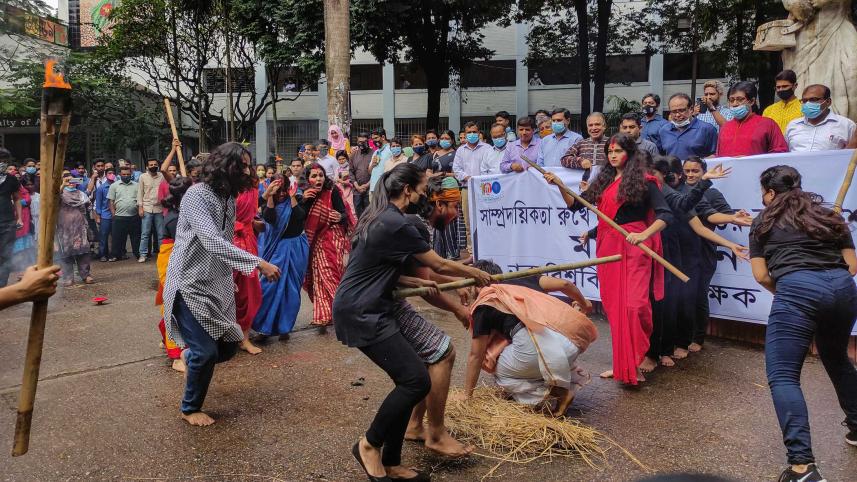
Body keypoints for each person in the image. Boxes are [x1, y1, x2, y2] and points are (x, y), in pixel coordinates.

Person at [332, 163, 492, 482]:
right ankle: (369, 445)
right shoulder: (397, 222)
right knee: (415, 381)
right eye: (420, 188)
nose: (423, 194)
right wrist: (473, 273)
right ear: (407, 190)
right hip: (363, 311)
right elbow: (436, 263)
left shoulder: (378, 215)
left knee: (411, 378)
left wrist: (416, 282)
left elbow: (380, 267)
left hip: (372, 304)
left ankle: (391, 461)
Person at [748, 165, 857, 482]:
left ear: (769, 193)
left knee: (783, 376)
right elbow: (851, 265)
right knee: (837, 357)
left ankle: (801, 467)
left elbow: (761, 275)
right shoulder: (829, 216)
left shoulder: (763, 221)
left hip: (797, 288)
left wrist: (792, 291)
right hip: (843, 289)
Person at [162, 142, 280, 427]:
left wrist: (229, 277)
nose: (249, 171)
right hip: (188, 285)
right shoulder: (196, 194)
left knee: (226, 347)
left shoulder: (227, 198)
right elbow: (211, 240)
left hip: (217, 283)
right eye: (244, 165)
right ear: (226, 166)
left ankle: (190, 358)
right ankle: (190, 408)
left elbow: (224, 244)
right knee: (207, 352)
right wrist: (257, 262)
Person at [544, 133, 672, 385]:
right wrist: (559, 184)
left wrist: (643, 235)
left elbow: (665, 215)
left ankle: (633, 360)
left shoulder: (645, 182)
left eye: (618, 151)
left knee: (634, 307)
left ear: (630, 153)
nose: (613, 155)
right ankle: (624, 366)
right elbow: (575, 206)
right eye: (610, 151)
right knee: (616, 310)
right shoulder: (603, 181)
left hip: (635, 248)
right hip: (608, 249)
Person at [462, 260, 597, 415]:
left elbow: (476, 356)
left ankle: (558, 392)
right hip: (572, 344)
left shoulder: (485, 303)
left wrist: (467, 395)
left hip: (543, 348)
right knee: (518, 349)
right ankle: (556, 383)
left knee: (498, 371)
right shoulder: (522, 279)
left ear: (476, 281)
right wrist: (583, 303)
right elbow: (565, 285)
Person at [254, 175, 309, 338]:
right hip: (277, 250)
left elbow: (299, 216)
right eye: (279, 191)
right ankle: (263, 328)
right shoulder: (268, 203)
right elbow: (270, 218)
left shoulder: (296, 198)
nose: (282, 194)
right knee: (269, 287)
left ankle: (284, 328)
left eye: (284, 190)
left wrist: (291, 196)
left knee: (291, 290)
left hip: (296, 249)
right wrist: (270, 195)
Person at [303, 163, 356, 328]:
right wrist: (304, 200)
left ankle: (347, 311)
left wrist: (339, 217)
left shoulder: (332, 191)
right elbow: (299, 217)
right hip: (315, 240)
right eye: (314, 176)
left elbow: (344, 214)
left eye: (321, 175)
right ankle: (324, 315)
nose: (318, 179)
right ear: (307, 179)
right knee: (318, 276)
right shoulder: (303, 195)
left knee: (330, 273)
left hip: (333, 237)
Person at [155, 177, 192, 373]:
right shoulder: (177, 217)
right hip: (173, 261)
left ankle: (165, 337)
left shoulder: (180, 212)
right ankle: (176, 356)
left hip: (176, 257)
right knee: (175, 306)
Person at [718, 82, 789, 157]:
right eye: (731, 100)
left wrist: (750, 160)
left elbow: (780, 153)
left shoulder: (768, 124)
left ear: (752, 101)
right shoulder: (725, 127)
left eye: (740, 99)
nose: (735, 104)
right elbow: (718, 156)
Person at [786, 84, 857, 152]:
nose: (807, 104)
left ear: (828, 102)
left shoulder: (846, 125)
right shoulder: (793, 125)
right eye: (804, 101)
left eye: (813, 99)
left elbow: (852, 155)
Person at [57, 171, 94, 286]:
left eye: (73, 180)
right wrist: (62, 185)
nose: (71, 183)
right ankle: (68, 277)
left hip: (80, 227)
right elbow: (53, 197)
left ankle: (86, 275)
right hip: (65, 228)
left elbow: (87, 207)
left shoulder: (81, 194)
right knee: (66, 253)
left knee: (84, 251)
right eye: (68, 181)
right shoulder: (60, 194)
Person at [658, 93, 718, 160]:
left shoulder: (707, 129)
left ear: (691, 109)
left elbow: (715, 156)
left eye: (681, 110)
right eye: (674, 111)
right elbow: (661, 157)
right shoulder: (664, 131)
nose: (677, 115)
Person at [108, 166, 141, 262]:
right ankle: (115, 255)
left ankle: (138, 254)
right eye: (124, 174)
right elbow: (111, 201)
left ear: (131, 175)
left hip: (134, 216)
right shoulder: (114, 186)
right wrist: (113, 214)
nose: (126, 176)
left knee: (136, 237)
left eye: (128, 174)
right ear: (120, 175)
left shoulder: (137, 185)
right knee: (117, 238)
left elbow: (139, 200)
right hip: (119, 217)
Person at [0, 152, 22, 287]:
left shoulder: (12, 179)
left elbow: (17, 198)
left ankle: (2, 287)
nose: (1, 162)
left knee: (5, 255)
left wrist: (19, 218)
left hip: (8, 222)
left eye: (4, 160)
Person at [138, 158, 165, 263]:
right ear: (147, 166)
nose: (153, 166)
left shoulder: (162, 176)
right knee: (145, 233)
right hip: (147, 208)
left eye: (155, 164)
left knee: (161, 234)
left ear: (158, 165)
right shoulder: (143, 177)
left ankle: (162, 254)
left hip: (159, 208)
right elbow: (140, 193)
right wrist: (140, 207)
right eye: (151, 164)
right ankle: (143, 254)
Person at [350, 132, 373, 216]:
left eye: (364, 142)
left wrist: (366, 185)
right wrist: (357, 186)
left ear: (368, 141)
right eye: (360, 142)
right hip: (357, 190)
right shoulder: (353, 155)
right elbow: (351, 172)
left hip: (369, 190)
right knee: (358, 213)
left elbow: (376, 172)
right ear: (357, 141)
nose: (361, 144)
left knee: (369, 214)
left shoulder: (374, 154)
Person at [368, 129, 391, 195]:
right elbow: (369, 171)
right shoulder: (376, 152)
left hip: (385, 188)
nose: (374, 141)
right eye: (373, 139)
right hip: (373, 188)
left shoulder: (390, 149)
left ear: (383, 137)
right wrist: (372, 164)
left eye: (376, 138)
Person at [335, 150, 357, 217]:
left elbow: (353, 179)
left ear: (347, 158)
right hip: (340, 192)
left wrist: (344, 182)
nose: (341, 161)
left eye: (343, 158)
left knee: (352, 209)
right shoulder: (337, 168)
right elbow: (335, 180)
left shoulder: (351, 167)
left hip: (350, 191)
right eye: (339, 159)